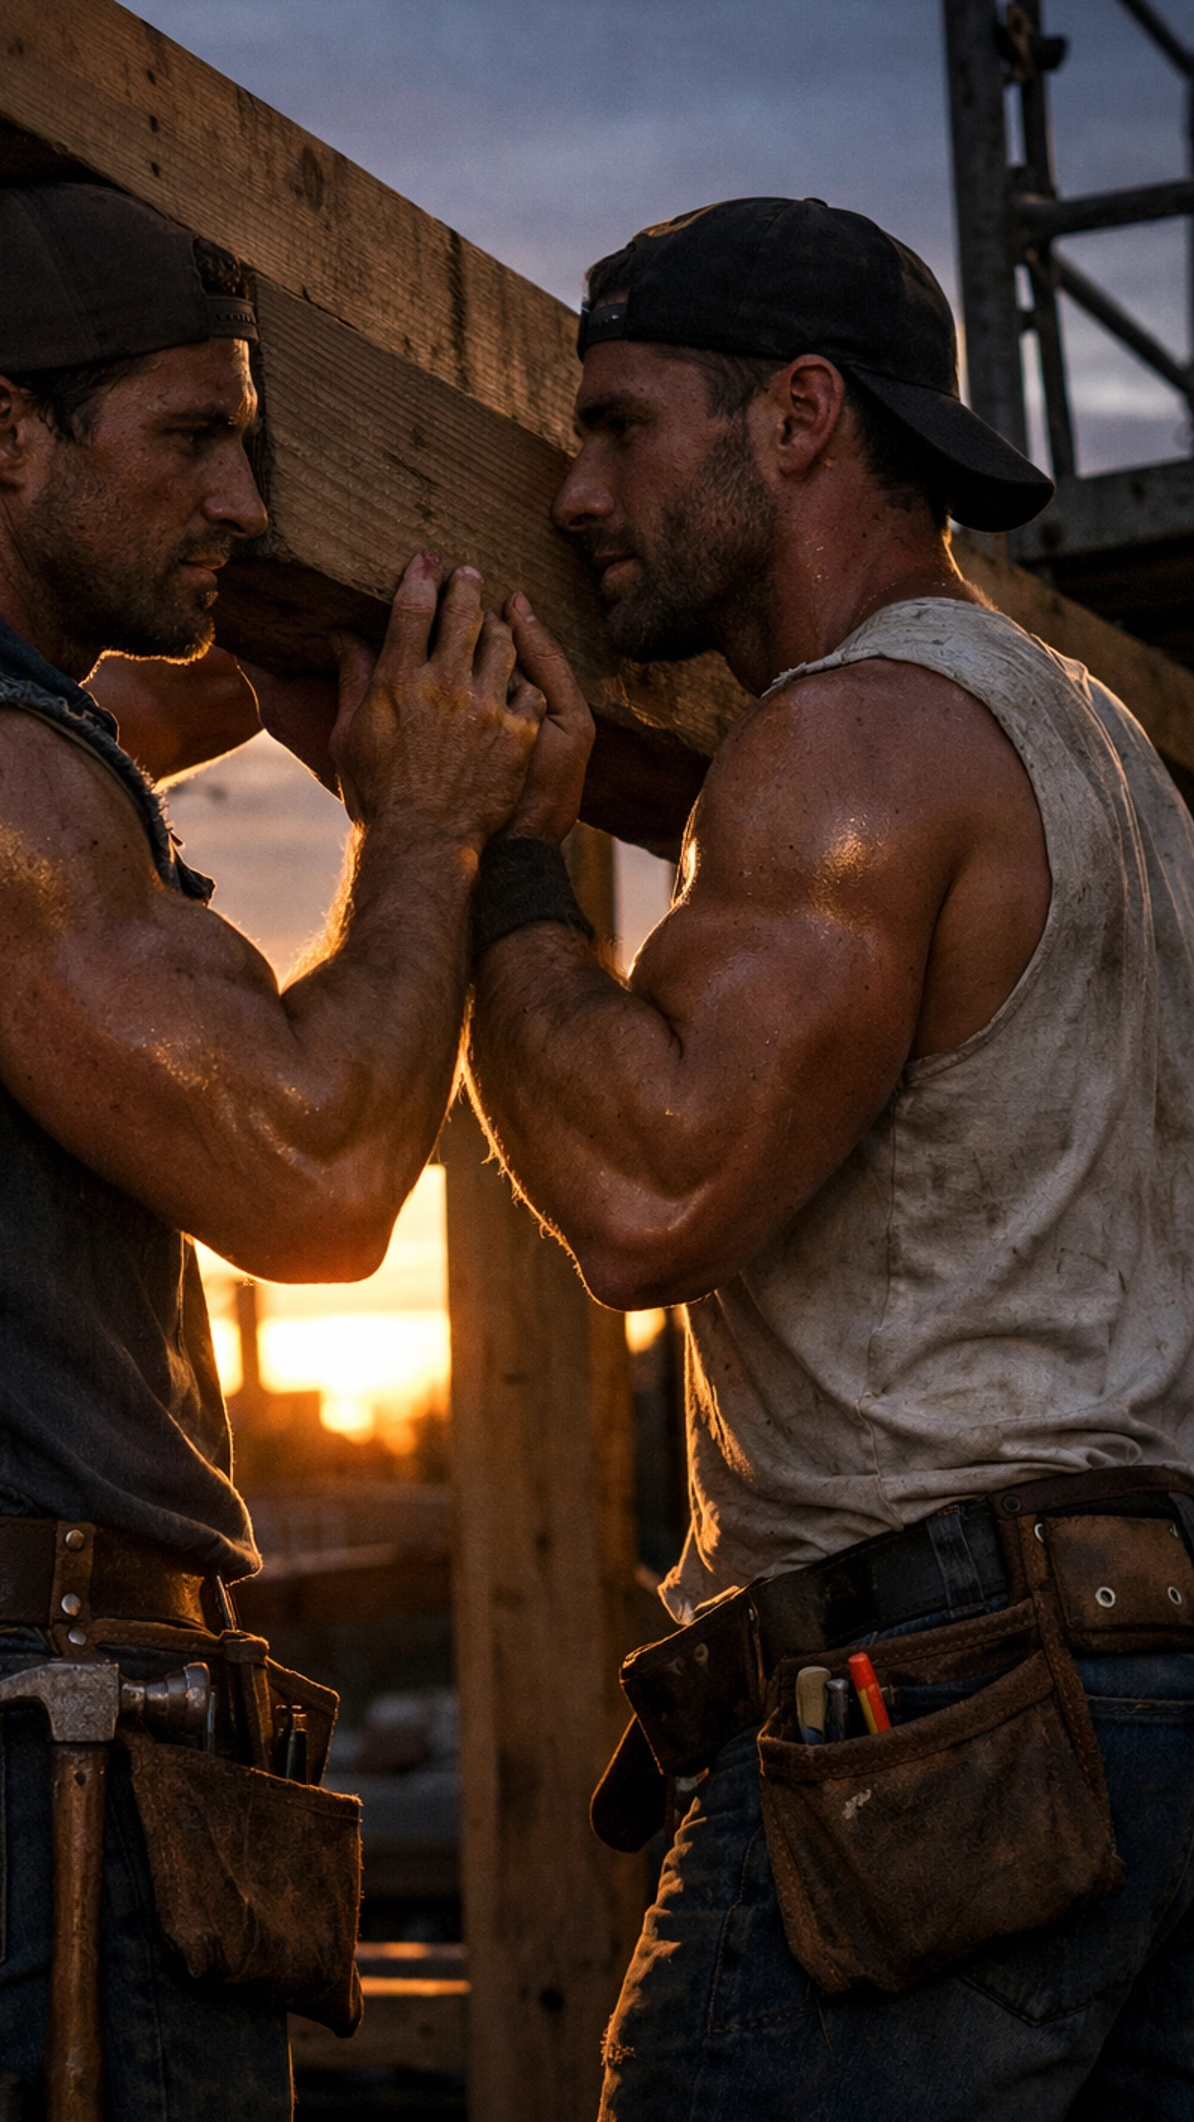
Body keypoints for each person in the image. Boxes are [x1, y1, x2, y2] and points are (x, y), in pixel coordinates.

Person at [0, 181, 552, 2118]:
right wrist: (427, 829)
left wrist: (184, 708)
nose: (243, 498)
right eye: (193, 434)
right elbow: (312, 1188)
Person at [457, 198, 1194, 2118]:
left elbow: (650, 1194)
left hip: (954, 1707)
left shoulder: (857, 735)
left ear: (797, 417)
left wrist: (490, 855)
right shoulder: (1103, 752)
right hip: (1145, 1689)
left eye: (620, 425)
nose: (572, 486)